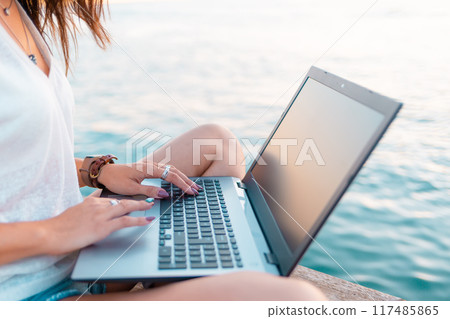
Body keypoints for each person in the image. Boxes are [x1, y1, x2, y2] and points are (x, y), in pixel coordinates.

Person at [0, 0, 326, 301]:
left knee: (215, 142)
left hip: (75, 251)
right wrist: (55, 231)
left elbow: (17, 157)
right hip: (31, 292)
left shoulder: (16, 11)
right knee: (299, 300)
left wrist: (96, 171)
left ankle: (178, 264)